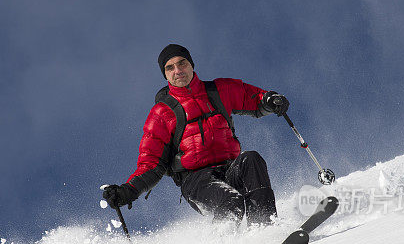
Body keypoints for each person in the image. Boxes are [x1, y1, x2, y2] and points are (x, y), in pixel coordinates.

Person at [102, 43, 290, 226]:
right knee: (231, 202)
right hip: (196, 181)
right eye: (170, 68)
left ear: (191, 64)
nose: (178, 70)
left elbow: (253, 98)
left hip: (230, 168)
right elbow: (150, 163)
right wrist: (127, 191)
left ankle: (263, 228)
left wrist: (270, 100)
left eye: (182, 63)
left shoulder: (218, 91)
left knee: (251, 159)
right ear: (165, 75)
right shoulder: (161, 113)